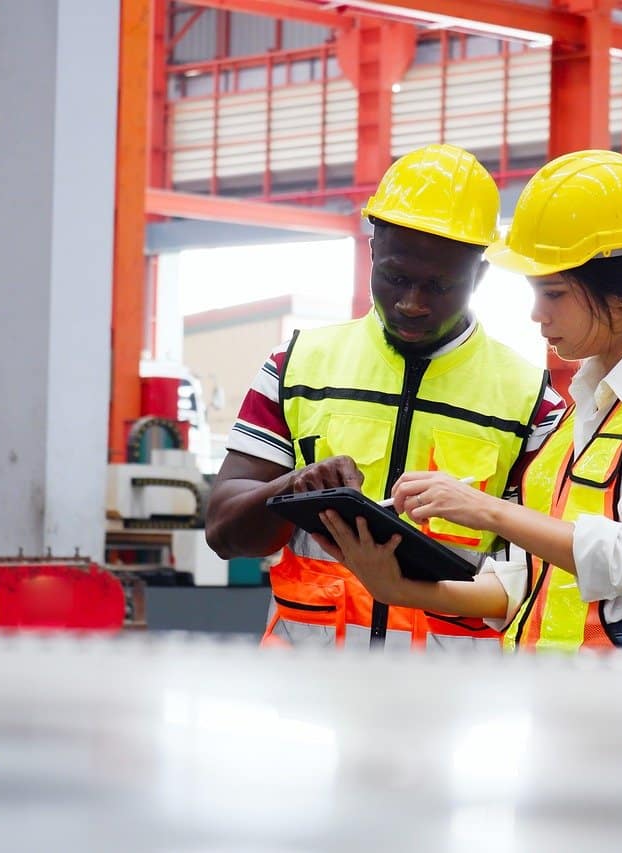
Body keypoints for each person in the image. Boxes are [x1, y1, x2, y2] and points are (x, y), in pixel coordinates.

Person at [318, 149, 622, 653]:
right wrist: (394, 588)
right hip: (567, 685)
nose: (538, 315)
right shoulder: (586, 408)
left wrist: (485, 510)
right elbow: (530, 584)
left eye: (554, 294)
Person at [206, 143, 565, 651]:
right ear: (372, 251)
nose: (411, 303)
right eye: (395, 277)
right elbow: (226, 534)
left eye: (438, 286)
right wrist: (292, 489)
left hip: (448, 702)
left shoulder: (531, 400)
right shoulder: (297, 366)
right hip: (305, 688)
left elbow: (540, 576)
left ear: (480, 276)